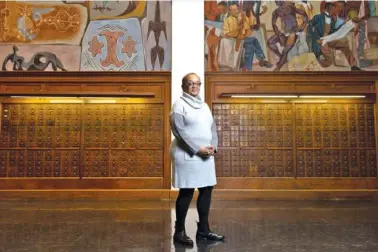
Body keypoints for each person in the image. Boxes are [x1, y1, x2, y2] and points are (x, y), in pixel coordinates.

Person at [170, 73, 225, 247]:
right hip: (187, 154)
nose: (194, 86)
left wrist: (213, 146)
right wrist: (198, 149)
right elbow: (179, 132)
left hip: (206, 155)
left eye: (197, 84)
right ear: (183, 86)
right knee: (186, 192)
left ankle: (203, 230)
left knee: (207, 189)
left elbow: (212, 128)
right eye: (190, 83)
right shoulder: (179, 105)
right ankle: (179, 231)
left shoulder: (204, 106)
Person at [223, 3, 272, 71]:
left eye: (237, 9)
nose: (236, 11)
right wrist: (238, 30)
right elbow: (227, 34)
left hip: (242, 39)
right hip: (233, 41)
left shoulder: (243, 18)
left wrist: (247, 28)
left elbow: (248, 32)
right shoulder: (227, 20)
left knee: (253, 39)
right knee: (250, 46)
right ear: (230, 11)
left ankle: (260, 60)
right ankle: (248, 68)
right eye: (234, 10)